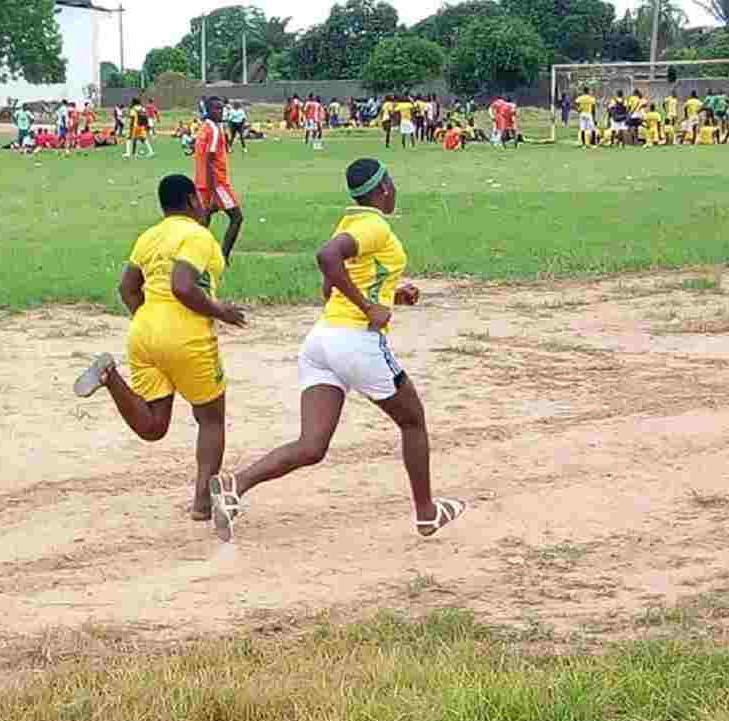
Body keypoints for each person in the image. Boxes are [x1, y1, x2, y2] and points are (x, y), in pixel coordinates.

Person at [206, 158, 465, 544]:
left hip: (322, 341)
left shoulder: (350, 223)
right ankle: (426, 513)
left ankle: (234, 485)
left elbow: (330, 286)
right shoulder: (374, 224)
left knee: (312, 445)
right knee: (413, 421)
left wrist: (390, 295)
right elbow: (326, 258)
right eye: (391, 182)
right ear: (383, 189)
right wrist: (369, 307)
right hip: (355, 341)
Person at [73, 173, 246, 523]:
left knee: (154, 426)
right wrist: (220, 311)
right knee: (210, 418)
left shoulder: (148, 237)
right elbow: (183, 285)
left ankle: (110, 376)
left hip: (143, 331)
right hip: (186, 335)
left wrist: (148, 319)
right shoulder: (197, 235)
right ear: (191, 202)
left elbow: (127, 287)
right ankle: (201, 503)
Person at [193, 96, 244, 265]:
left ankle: (193, 256)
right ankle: (223, 258)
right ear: (208, 111)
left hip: (203, 181)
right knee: (236, 217)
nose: (220, 112)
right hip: (216, 183)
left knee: (205, 218)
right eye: (216, 109)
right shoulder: (214, 130)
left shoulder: (205, 127)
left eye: (221, 109)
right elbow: (208, 158)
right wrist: (213, 189)